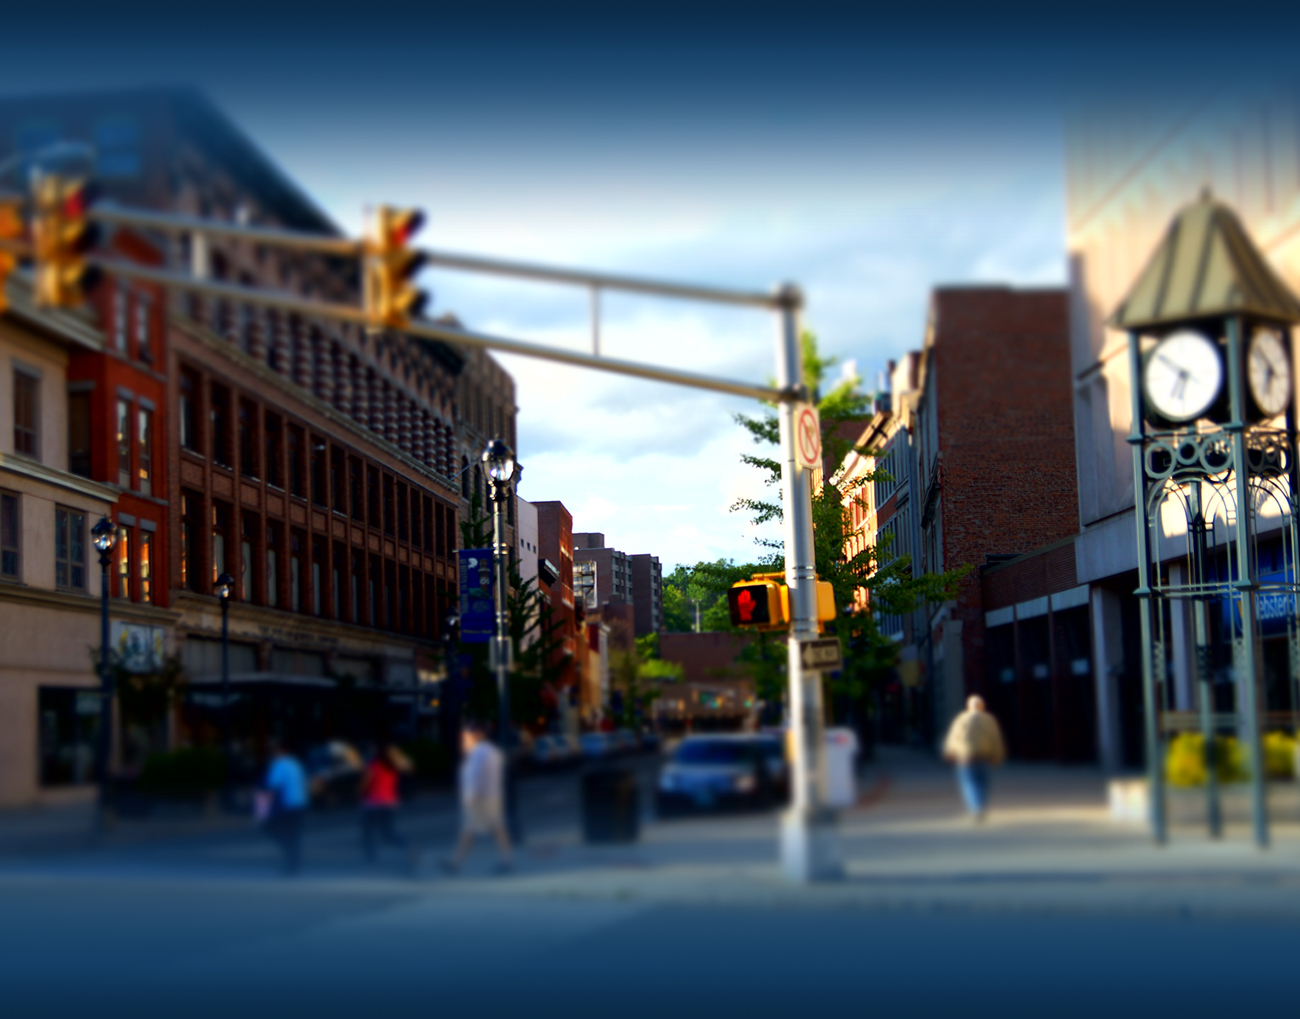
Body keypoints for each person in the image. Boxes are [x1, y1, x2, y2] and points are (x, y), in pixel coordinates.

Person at [442, 720, 512, 874]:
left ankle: (455, 863)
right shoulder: (489, 751)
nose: (463, 741)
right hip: (490, 796)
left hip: (479, 798)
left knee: (470, 830)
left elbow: (477, 776)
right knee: (494, 828)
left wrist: (471, 795)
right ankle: (506, 860)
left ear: (475, 736)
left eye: (466, 737)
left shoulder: (480, 753)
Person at [942, 695, 1006, 822]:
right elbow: (995, 739)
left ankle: (975, 808)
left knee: (969, 784)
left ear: (968, 706)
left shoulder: (961, 719)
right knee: (983, 783)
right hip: (983, 756)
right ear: (983, 706)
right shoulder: (988, 719)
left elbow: (954, 737)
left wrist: (949, 752)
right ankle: (980, 806)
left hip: (965, 757)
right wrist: (997, 756)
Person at [360, 743, 419, 871]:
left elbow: (365, 782)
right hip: (390, 803)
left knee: (367, 832)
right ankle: (407, 846)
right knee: (388, 833)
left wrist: (359, 791)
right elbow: (410, 767)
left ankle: (371, 859)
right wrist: (397, 756)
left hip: (373, 803)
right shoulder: (393, 766)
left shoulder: (374, 764)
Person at [262, 740, 309, 874]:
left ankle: (290, 860)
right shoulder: (296, 763)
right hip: (300, 803)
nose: (273, 754)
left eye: (274, 751)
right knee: (294, 834)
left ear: (280, 751)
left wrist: (263, 807)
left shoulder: (280, 765)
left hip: (287, 804)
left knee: (273, 828)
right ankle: (294, 861)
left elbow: (272, 785)